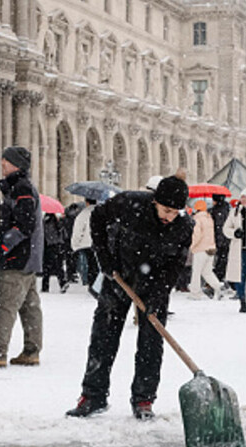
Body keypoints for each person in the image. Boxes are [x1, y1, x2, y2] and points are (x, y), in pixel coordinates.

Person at [65, 176, 193, 420]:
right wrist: (105, 259)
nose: (170, 217)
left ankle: (144, 400)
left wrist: (160, 291)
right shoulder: (129, 203)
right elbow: (97, 218)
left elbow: (176, 263)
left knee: (151, 342)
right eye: (166, 210)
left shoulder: (184, 225)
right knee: (104, 336)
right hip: (119, 275)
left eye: (176, 212)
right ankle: (93, 396)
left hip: (154, 283)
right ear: (155, 201)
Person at [0, 146, 44, 368]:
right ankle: (31, 350)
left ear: (16, 164)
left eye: (6, 161)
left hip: (18, 259)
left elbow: (23, 225)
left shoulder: (20, 187)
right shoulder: (23, 186)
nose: (2, 164)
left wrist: (5, 247)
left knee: (5, 306)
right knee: (30, 307)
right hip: (29, 257)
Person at [188, 199, 223, 300]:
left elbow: (197, 235)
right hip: (211, 248)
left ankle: (195, 294)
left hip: (200, 249)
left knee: (196, 272)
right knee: (207, 272)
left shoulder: (197, 219)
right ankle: (218, 287)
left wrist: (191, 246)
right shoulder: (209, 218)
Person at [70, 198, 99, 293]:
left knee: (89, 265)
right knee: (97, 265)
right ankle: (97, 285)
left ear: (86, 202)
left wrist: (75, 245)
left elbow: (78, 231)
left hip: (86, 244)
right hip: (99, 243)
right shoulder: (101, 211)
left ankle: (91, 284)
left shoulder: (83, 214)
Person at [41, 211, 69, 293]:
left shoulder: (44, 223)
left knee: (46, 268)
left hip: (49, 247)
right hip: (59, 246)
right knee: (59, 266)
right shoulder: (58, 223)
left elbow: (43, 235)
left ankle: (45, 286)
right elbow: (65, 235)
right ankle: (62, 282)